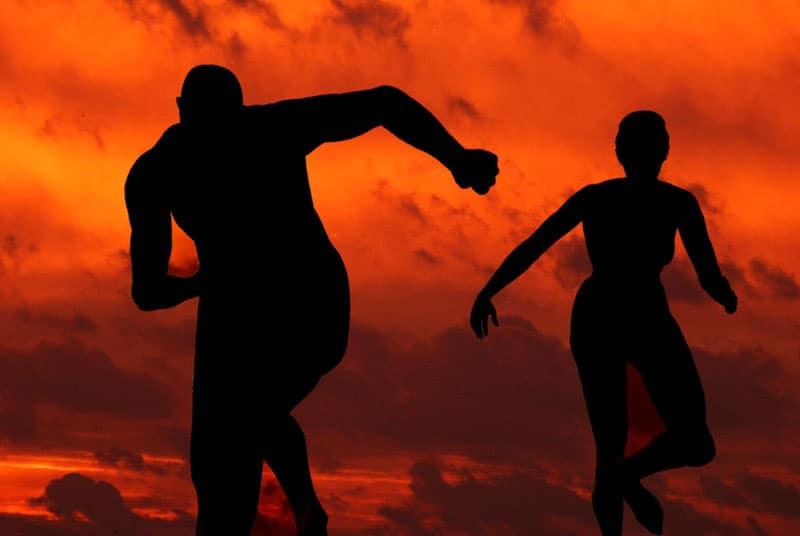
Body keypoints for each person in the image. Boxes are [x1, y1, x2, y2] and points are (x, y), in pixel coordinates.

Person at [124, 64, 499, 536]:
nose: (221, 141)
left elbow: (384, 101)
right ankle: (293, 514)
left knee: (250, 413)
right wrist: (207, 283)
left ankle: (305, 511)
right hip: (233, 312)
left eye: (227, 123)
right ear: (181, 113)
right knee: (216, 475)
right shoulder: (155, 174)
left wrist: (457, 159)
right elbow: (146, 292)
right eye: (208, 124)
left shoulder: (271, 127)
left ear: (238, 112)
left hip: (309, 298)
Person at [469, 111, 736, 536]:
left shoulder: (673, 203)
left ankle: (621, 477)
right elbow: (536, 243)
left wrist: (724, 294)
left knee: (690, 443)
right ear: (647, 152)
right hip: (603, 319)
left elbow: (709, 274)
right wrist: (488, 290)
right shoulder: (611, 199)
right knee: (613, 444)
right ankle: (618, 484)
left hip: (639, 316)